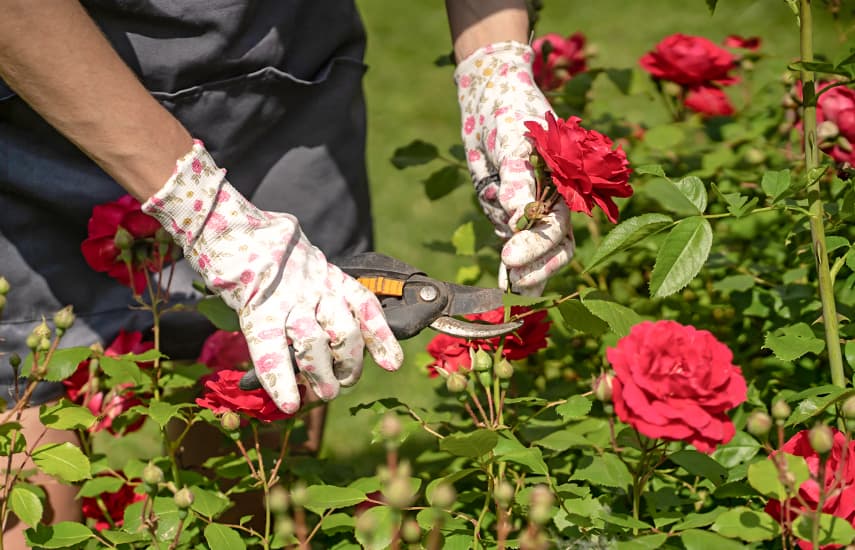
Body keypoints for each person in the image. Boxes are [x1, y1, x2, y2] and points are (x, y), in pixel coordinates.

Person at [0, 0, 574, 544]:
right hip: (42, 86)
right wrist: (207, 215)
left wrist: (493, 66)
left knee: (252, 466)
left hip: (278, 88)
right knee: (29, 432)